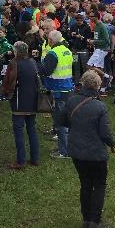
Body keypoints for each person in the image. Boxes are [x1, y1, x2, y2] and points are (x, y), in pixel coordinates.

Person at [60, 70, 115, 228]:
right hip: (96, 154)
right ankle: (95, 222)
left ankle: (86, 219)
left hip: (77, 152)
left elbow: (61, 121)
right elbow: (105, 133)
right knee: (98, 185)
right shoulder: (100, 106)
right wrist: (112, 143)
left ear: (82, 84)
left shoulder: (71, 101)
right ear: (97, 86)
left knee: (85, 184)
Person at [2, 41, 40, 169]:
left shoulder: (13, 63)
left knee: (19, 131)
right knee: (32, 129)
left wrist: (6, 92)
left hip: (19, 101)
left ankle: (21, 161)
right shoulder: (33, 62)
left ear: (16, 51)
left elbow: (7, 80)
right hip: (33, 100)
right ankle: (35, 158)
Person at [39, 30, 74, 159]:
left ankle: (64, 151)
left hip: (57, 89)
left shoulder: (53, 54)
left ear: (51, 41)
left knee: (61, 123)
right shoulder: (67, 51)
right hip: (68, 88)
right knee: (67, 121)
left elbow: (46, 71)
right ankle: (67, 147)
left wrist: (39, 65)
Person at [86, 11, 112, 94]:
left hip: (101, 49)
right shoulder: (96, 25)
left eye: (91, 16)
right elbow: (97, 39)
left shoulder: (102, 26)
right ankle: (102, 88)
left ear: (96, 17)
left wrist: (94, 42)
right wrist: (92, 42)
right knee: (99, 69)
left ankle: (108, 77)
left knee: (89, 65)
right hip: (98, 49)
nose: (89, 18)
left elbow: (106, 41)